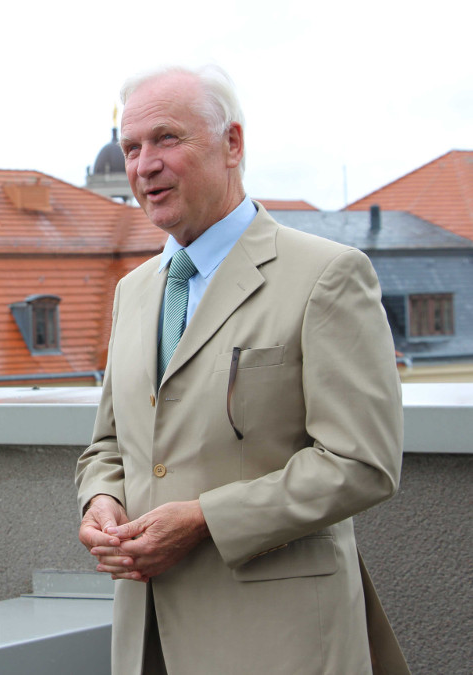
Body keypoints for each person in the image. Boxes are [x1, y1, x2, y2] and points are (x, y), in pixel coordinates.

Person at [76, 65, 408, 674]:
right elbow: (108, 445)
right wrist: (100, 501)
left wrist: (204, 519)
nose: (144, 165)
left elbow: (363, 463)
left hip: (281, 642)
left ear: (233, 144)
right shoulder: (134, 291)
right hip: (146, 639)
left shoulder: (326, 275)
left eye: (167, 139)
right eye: (131, 147)